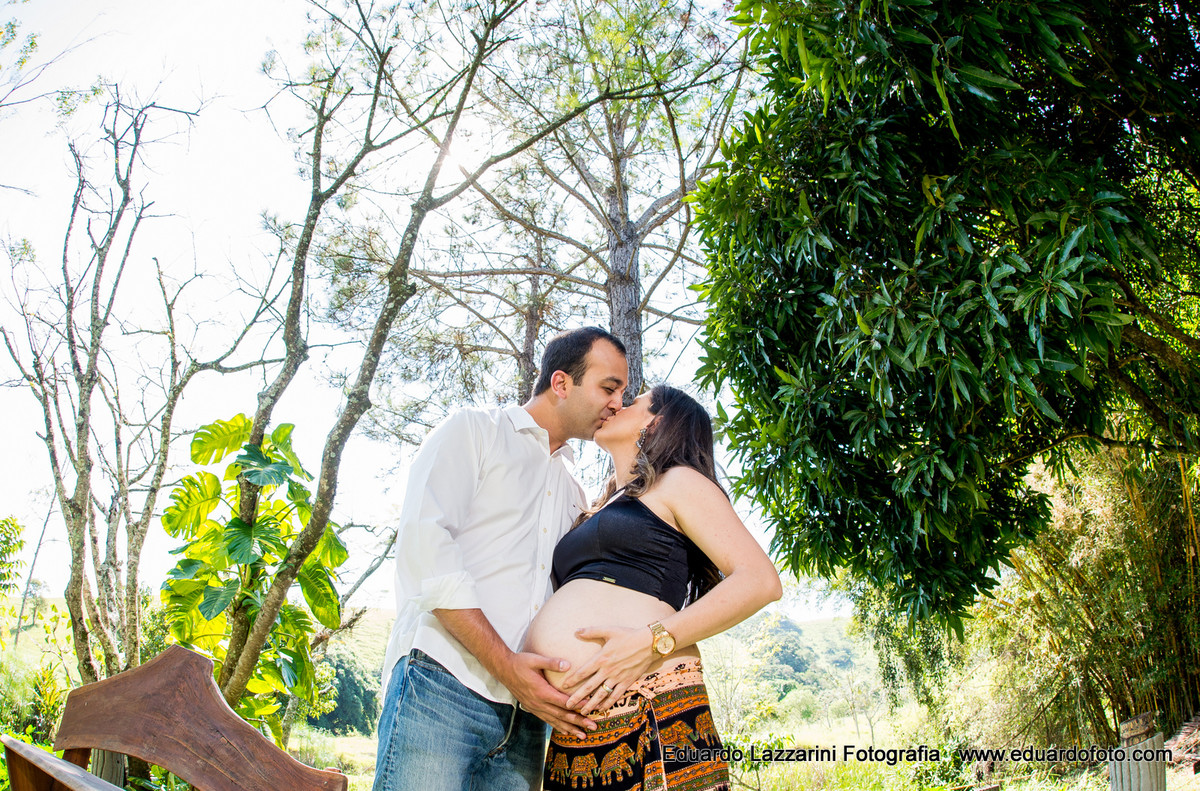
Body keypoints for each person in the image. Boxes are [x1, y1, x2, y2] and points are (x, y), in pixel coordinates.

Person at [373, 326, 628, 791]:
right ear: (561, 383)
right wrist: (507, 664)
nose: (617, 403)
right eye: (609, 388)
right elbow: (425, 552)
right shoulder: (473, 432)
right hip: (441, 686)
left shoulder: (575, 492)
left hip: (529, 718)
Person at [525, 385, 783, 791]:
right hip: (578, 728)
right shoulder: (605, 503)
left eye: (632, 403)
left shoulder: (678, 482)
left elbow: (760, 581)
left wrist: (651, 642)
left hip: (651, 702)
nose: (615, 406)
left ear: (656, 422)